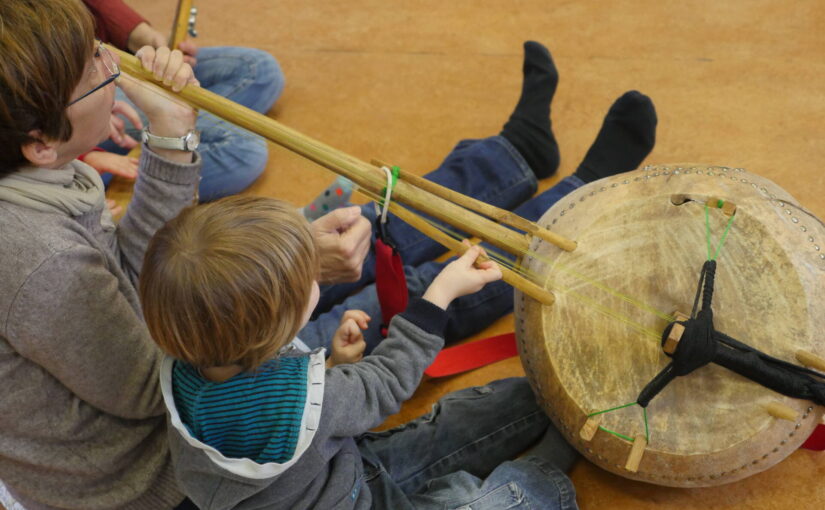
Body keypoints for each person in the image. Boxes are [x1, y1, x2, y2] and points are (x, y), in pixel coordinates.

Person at [0, 0, 655, 507]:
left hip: (212, 391)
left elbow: (141, 281)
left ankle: (517, 158)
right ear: (39, 141)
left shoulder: (42, 181)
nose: (113, 63)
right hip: (172, 466)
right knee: (388, 289)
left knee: (364, 222)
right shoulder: (37, 262)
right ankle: (565, 208)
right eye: (93, 69)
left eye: (96, 47)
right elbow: (152, 383)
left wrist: (174, 140)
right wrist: (293, 270)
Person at [139, 195, 579, 509]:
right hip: (339, 488)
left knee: (484, 412)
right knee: (489, 501)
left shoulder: (194, 354)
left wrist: (331, 366)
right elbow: (386, 381)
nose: (317, 276)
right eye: (307, 278)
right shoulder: (318, 401)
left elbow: (291, 411)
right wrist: (440, 296)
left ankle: (546, 413)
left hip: (331, 476)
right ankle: (545, 472)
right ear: (278, 328)